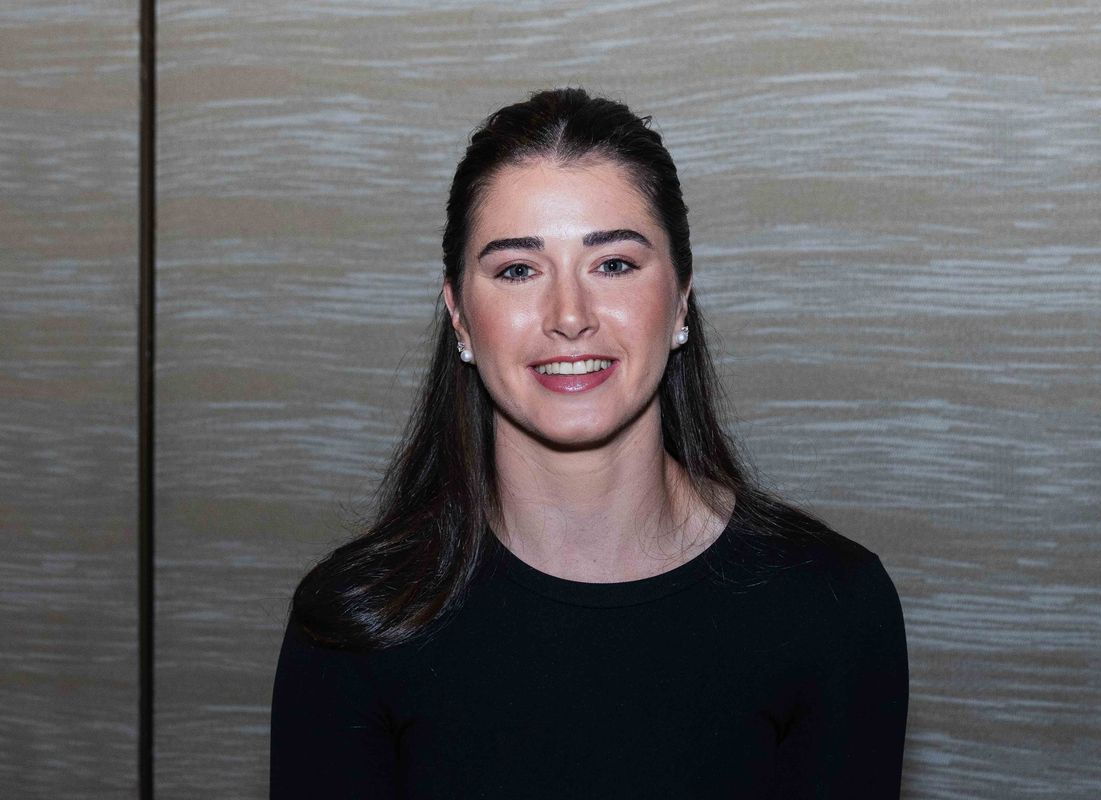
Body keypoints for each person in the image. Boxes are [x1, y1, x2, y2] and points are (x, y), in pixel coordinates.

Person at [270, 87, 908, 798]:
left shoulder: (831, 609)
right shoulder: (354, 623)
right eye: (517, 269)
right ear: (459, 317)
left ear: (680, 301)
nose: (569, 316)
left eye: (614, 264)